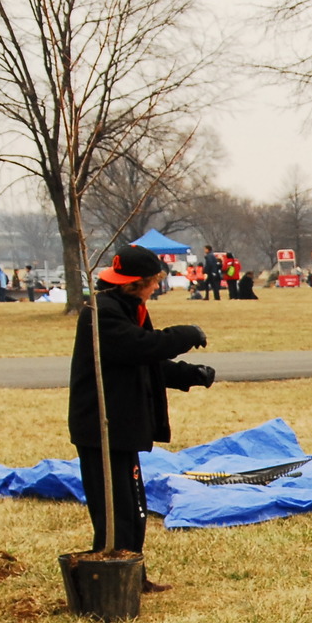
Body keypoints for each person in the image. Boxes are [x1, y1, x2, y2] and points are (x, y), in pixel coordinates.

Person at [67, 244, 215, 586]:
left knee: (134, 510)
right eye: (152, 282)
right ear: (134, 283)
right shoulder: (100, 312)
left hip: (123, 425)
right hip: (101, 427)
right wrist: (186, 334)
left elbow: (143, 360)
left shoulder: (128, 308)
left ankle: (134, 576)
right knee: (115, 511)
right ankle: (109, 580)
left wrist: (188, 375)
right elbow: (139, 347)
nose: (156, 288)